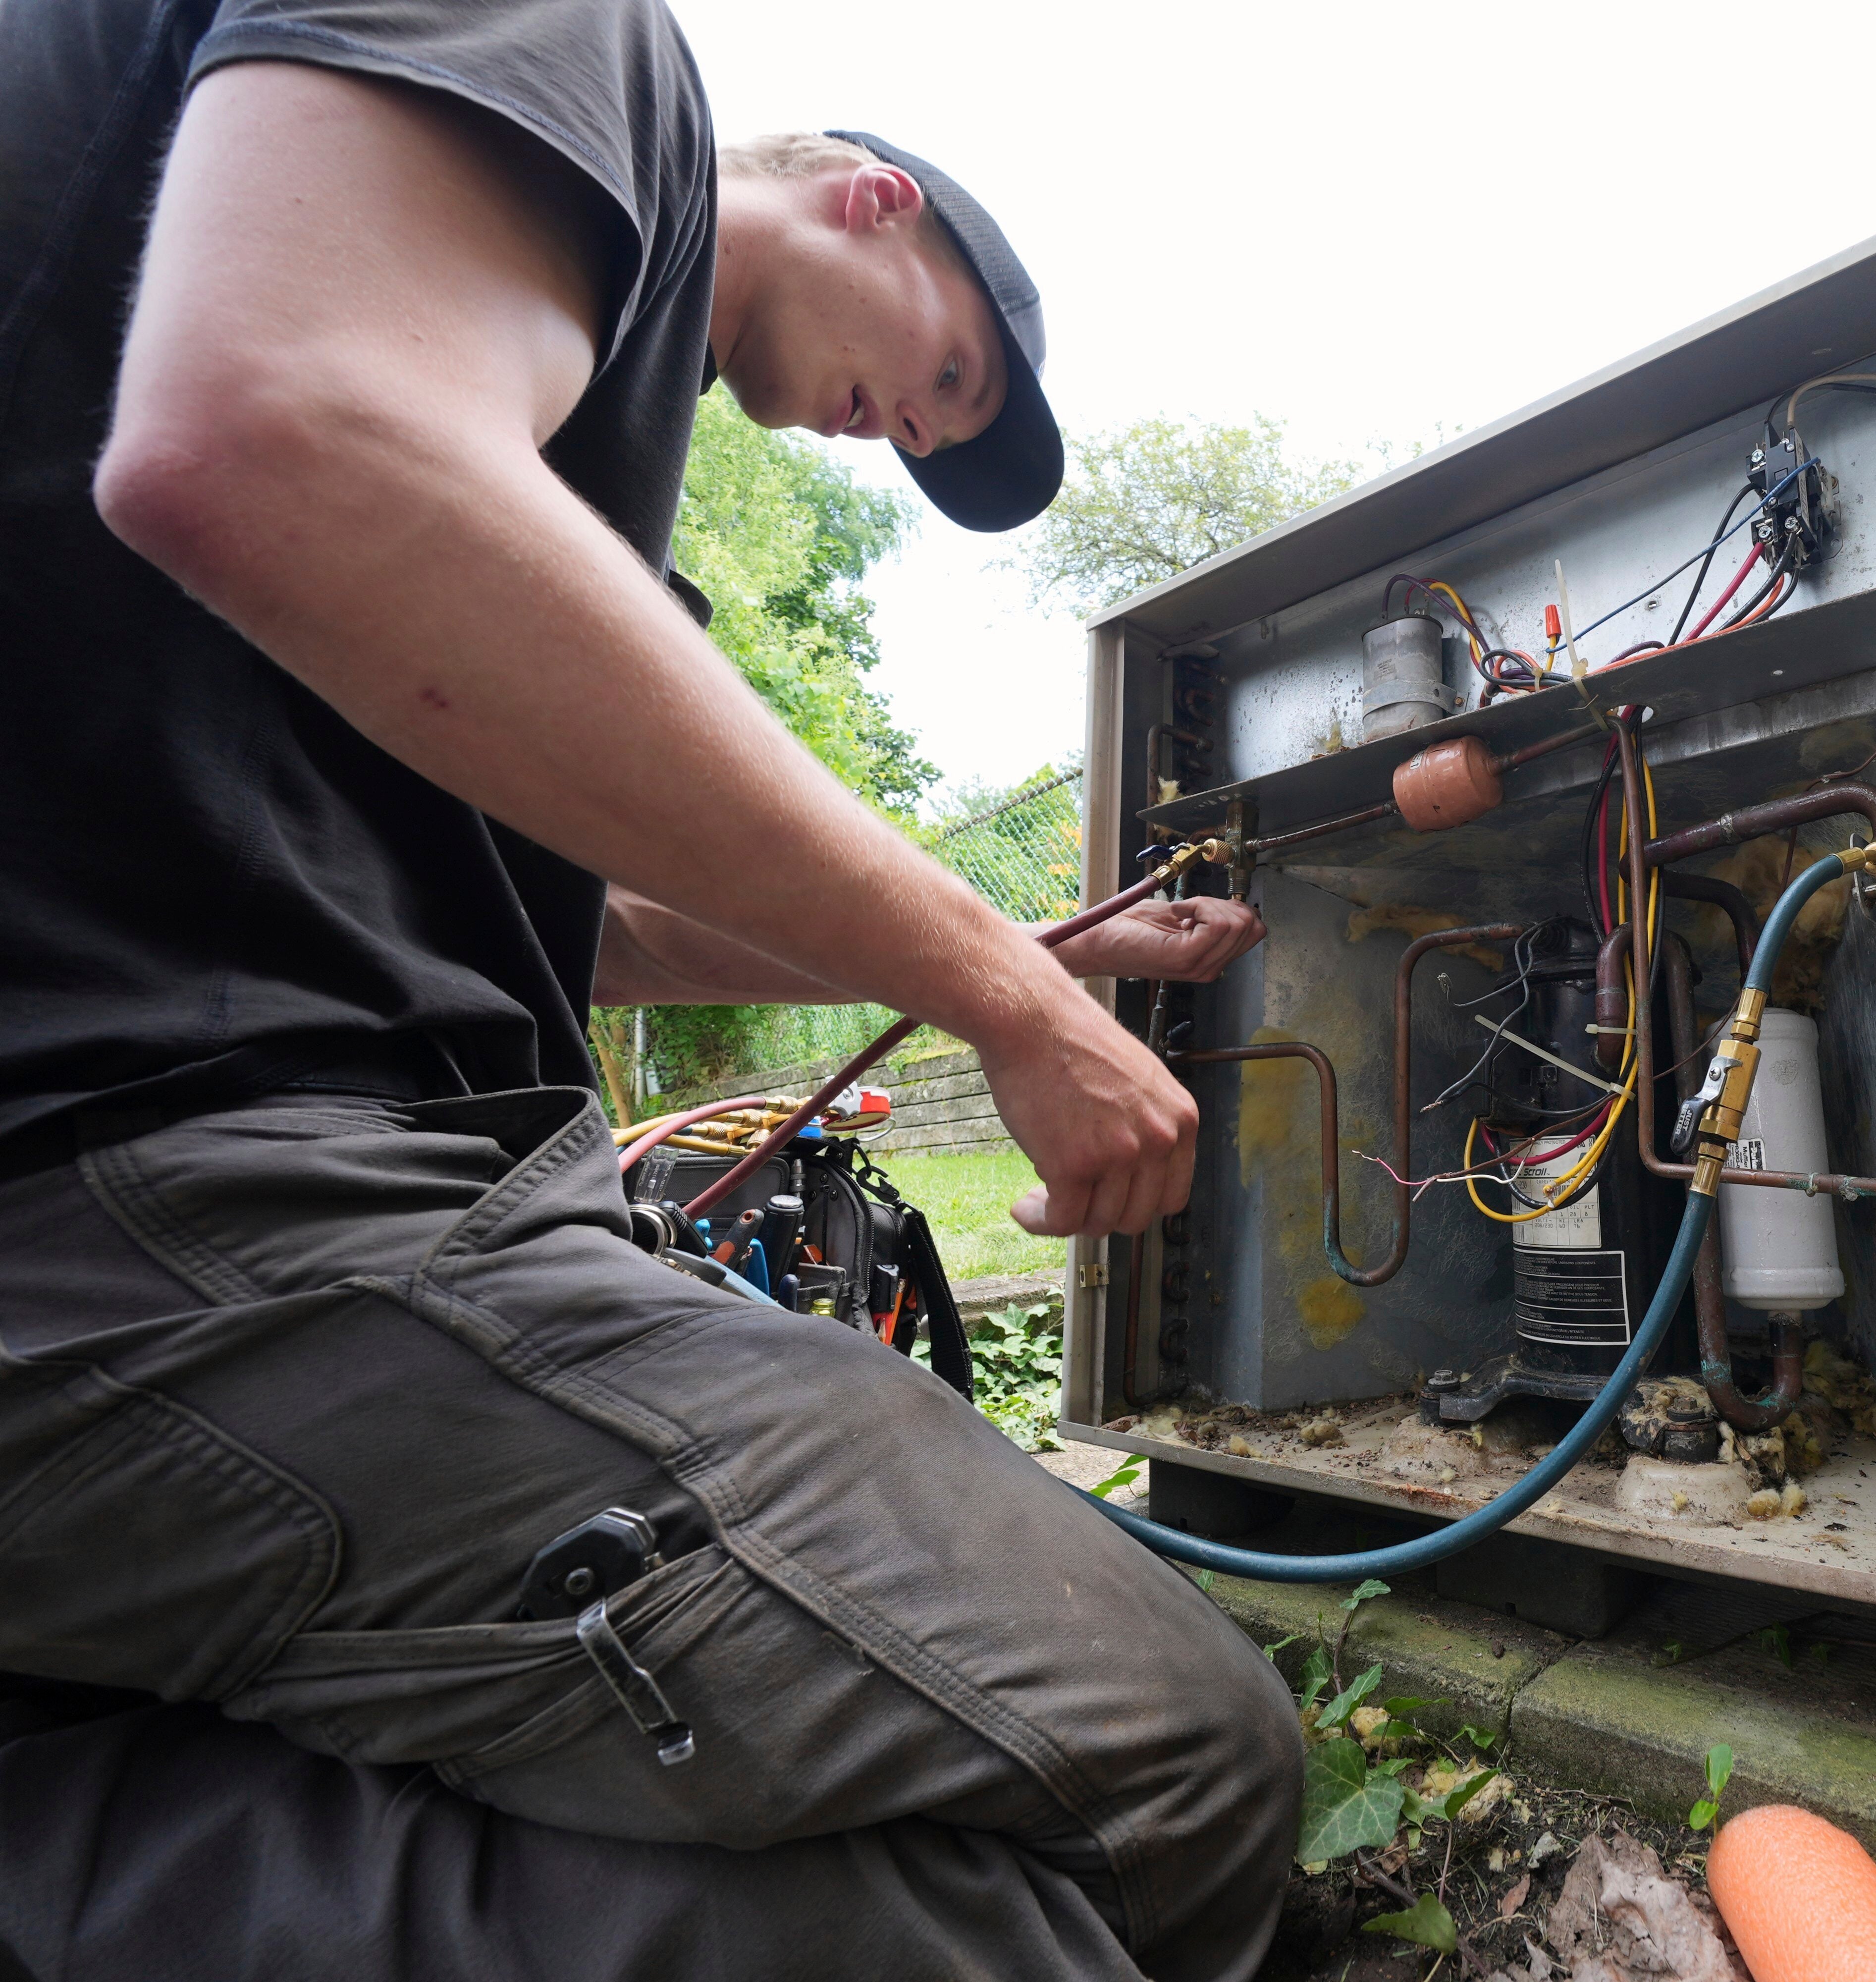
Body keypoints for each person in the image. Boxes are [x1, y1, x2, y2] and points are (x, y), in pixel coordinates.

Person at [0, 1, 1300, 1977]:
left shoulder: (479, 431)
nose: (918, 427)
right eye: (945, 371)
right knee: (1177, 1767)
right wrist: (1004, 1004)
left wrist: (1041, 958)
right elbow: (275, 428)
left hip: (100, 1252)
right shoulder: (579, 45)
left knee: (904, 1930)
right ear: (875, 201)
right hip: (173, 1194)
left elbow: (574, 903)